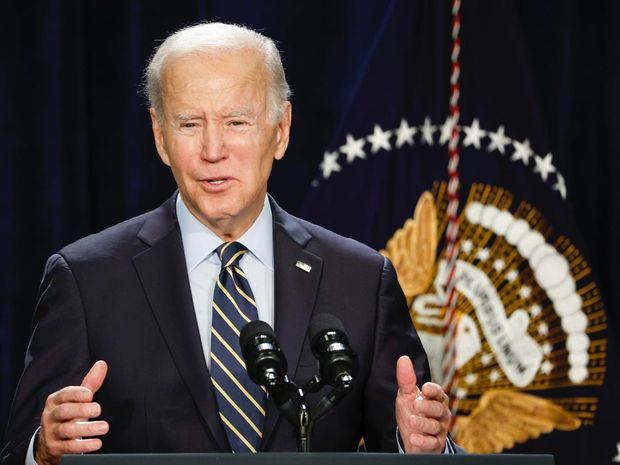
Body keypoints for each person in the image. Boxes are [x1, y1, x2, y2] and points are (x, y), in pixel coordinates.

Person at [1, 22, 457, 465]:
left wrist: (420, 447)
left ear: (280, 130)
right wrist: (43, 450)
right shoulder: (87, 279)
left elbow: (406, 439)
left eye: (236, 121)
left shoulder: (359, 280)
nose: (213, 149)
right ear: (160, 137)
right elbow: (22, 450)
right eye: (189, 124)